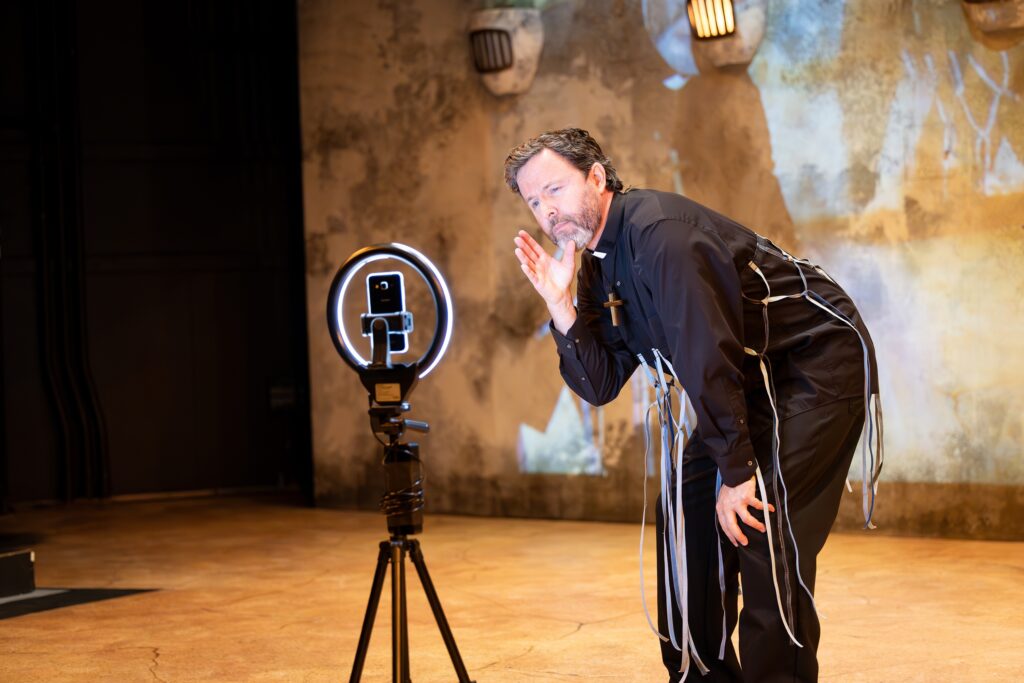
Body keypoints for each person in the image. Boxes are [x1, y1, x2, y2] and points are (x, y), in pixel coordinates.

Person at [506, 128, 881, 682]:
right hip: (748, 379)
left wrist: (738, 474)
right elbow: (601, 383)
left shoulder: (662, 235)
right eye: (534, 202)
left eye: (555, 190)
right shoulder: (598, 263)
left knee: (760, 522)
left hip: (815, 365)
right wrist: (562, 307)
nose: (547, 211)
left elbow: (706, 353)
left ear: (597, 177)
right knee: (686, 511)